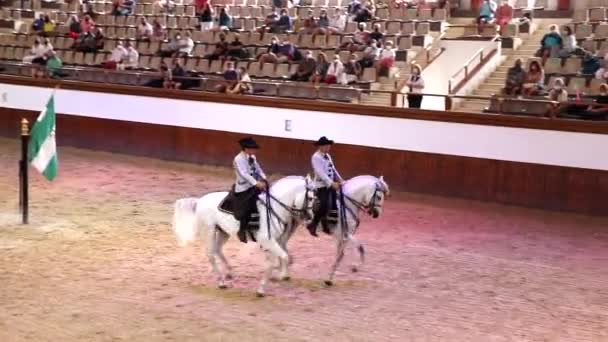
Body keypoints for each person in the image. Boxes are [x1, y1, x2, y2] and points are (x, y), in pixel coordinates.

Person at [232, 137, 267, 243]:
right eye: (252, 148)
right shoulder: (238, 158)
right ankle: (241, 230)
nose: (254, 150)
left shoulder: (252, 157)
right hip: (243, 187)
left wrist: (264, 178)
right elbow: (244, 174)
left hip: (254, 184)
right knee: (247, 206)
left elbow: (258, 168)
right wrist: (256, 183)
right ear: (246, 149)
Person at [307, 136, 343, 237]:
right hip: (320, 185)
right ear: (321, 146)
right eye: (326, 145)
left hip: (330, 184)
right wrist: (331, 183)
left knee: (331, 205)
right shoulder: (316, 157)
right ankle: (313, 224)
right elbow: (320, 173)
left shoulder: (328, 156)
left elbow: (333, 169)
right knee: (323, 205)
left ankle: (324, 225)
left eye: (329, 145)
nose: (328, 147)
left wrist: (340, 179)